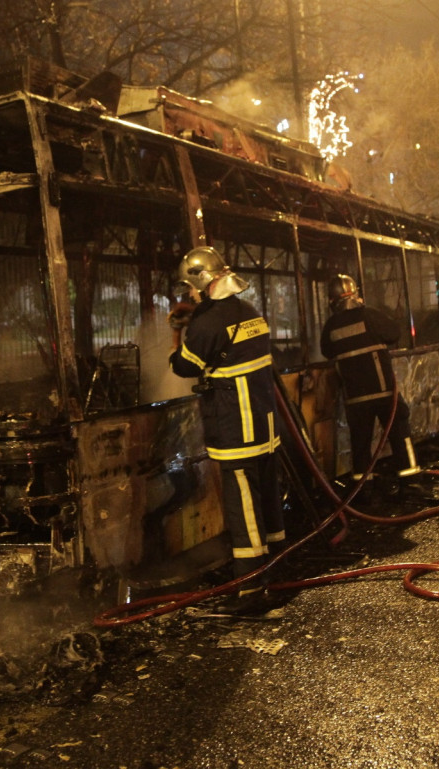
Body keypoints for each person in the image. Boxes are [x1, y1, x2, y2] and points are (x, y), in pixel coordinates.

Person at [168, 246, 284, 613]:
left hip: (237, 428)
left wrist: (180, 334)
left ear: (203, 282)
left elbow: (184, 366)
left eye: (190, 287)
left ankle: (251, 589)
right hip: (264, 424)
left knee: (243, 508)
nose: (188, 295)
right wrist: (196, 317)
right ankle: (278, 567)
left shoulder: (207, 325)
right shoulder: (247, 311)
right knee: (268, 500)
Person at [319, 274, 419, 497]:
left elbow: (326, 350)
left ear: (331, 301)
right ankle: (409, 480)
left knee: (361, 445)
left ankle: (364, 489)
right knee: (399, 431)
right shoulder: (370, 315)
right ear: (355, 295)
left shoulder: (330, 327)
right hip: (383, 391)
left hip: (355, 398)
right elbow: (394, 332)